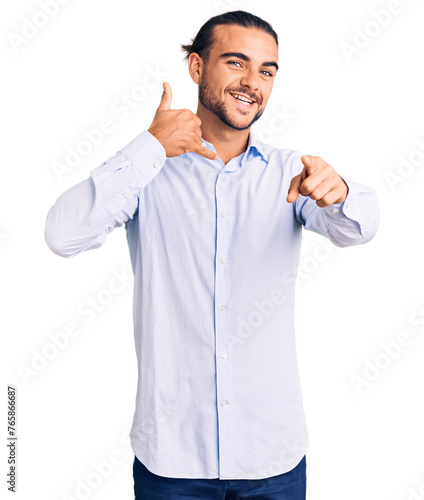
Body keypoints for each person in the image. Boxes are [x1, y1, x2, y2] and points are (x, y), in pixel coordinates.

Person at [44, 10, 379, 500]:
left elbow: (360, 228)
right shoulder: (146, 171)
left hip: (272, 457)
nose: (252, 83)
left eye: (267, 70)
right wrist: (149, 147)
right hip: (172, 458)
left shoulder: (292, 173)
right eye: (236, 63)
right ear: (197, 69)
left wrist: (342, 191)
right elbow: (61, 235)